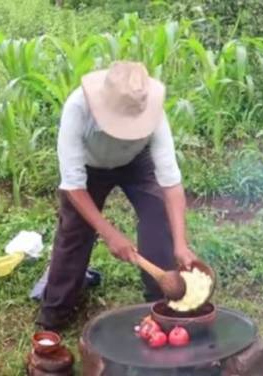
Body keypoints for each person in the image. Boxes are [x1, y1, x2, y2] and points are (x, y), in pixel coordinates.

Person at [36, 61, 198, 330]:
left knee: (158, 214)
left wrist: (180, 244)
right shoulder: (78, 108)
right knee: (75, 231)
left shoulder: (153, 112)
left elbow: (170, 182)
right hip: (90, 168)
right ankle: (55, 314)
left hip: (137, 162)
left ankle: (161, 300)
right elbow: (73, 184)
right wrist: (109, 233)